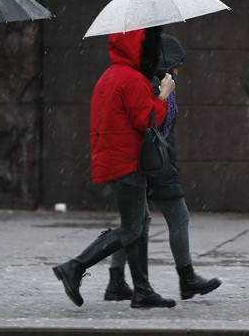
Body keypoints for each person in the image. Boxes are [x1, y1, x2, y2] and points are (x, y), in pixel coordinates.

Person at [53, 26, 177, 309]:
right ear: (139, 47)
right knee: (132, 227)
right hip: (127, 162)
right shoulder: (132, 79)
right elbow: (147, 121)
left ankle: (143, 290)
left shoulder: (110, 76)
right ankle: (74, 266)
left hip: (115, 159)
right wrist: (163, 95)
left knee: (139, 223)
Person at [103, 34, 221, 302]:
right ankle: (186, 277)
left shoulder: (152, 81)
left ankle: (116, 280)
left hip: (150, 161)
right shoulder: (152, 85)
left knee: (133, 224)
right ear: (164, 62)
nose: (179, 70)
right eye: (176, 63)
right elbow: (151, 122)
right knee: (174, 218)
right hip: (155, 163)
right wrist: (162, 95)